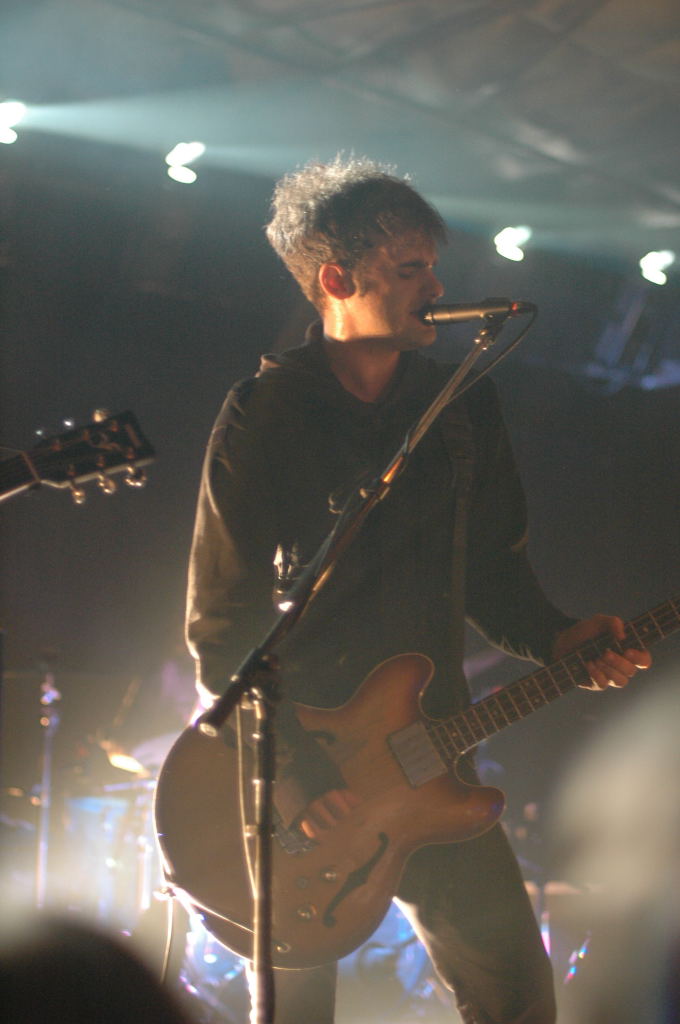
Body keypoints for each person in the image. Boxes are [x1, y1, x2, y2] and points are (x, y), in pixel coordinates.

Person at [185, 156, 651, 1024]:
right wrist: (295, 774)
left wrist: (557, 637)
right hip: (300, 779)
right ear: (336, 280)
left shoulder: (465, 404)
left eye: (433, 267)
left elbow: (495, 575)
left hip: (433, 759)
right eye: (409, 270)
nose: (437, 288)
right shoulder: (266, 413)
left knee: (518, 1002)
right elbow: (222, 625)